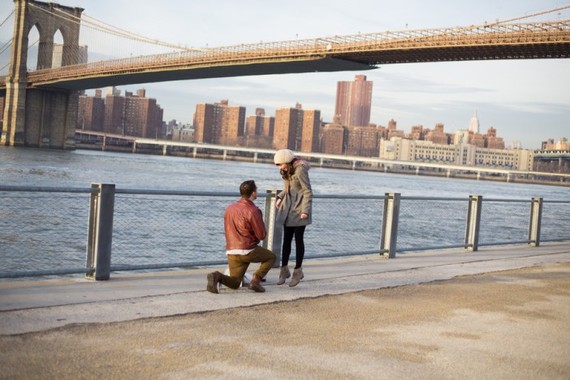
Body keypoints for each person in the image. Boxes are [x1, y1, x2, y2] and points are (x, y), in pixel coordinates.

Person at [206, 180, 276, 294]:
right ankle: (256, 281)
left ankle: (217, 276)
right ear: (253, 193)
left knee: (235, 283)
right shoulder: (253, 210)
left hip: (232, 250)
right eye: (256, 189)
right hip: (247, 250)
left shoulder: (229, 208)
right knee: (271, 257)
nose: (257, 192)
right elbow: (262, 235)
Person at [273, 149, 313, 287]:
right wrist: (280, 197)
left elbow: (307, 191)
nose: (280, 167)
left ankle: (298, 271)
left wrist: (305, 211)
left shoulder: (300, 170)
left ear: (287, 161)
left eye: (281, 164)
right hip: (289, 209)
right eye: (278, 165)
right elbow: (288, 188)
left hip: (300, 209)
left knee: (298, 240)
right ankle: (283, 271)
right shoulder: (286, 171)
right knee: (286, 241)